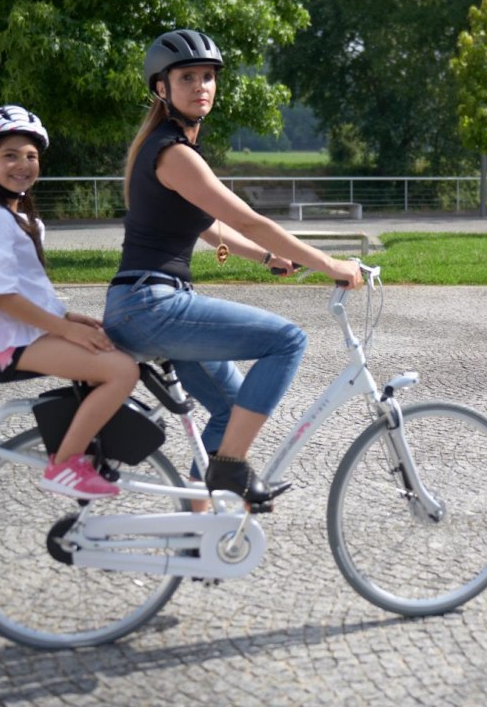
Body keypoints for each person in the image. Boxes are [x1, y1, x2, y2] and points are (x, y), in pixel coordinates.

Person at [102, 29, 362, 506]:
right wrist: (329, 264)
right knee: (287, 340)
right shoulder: (174, 153)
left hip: (145, 304)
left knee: (229, 406)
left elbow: (210, 227)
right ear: (161, 88)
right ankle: (230, 468)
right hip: (150, 304)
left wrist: (267, 257)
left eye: (207, 76)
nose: (201, 86)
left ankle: (196, 524)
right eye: (187, 78)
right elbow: (248, 220)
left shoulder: (169, 147)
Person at [0, 105, 140, 500]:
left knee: (111, 349)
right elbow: (0, 296)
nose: (23, 165)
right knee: (122, 371)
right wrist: (65, 329)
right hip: (9, 342)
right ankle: (66, 464)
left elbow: (28, 289)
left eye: (31, 156)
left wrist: (69, 317)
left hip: (24, 333)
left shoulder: (16, 216)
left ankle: (85, 446)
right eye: (10, 156)